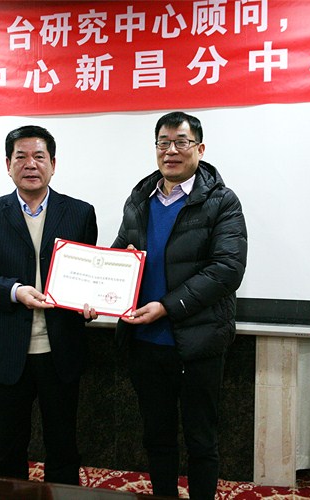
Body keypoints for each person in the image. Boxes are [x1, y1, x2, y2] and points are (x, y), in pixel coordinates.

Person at [112, 111, 248, 499]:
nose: (171, 150)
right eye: (163, 142)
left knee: (201, 440)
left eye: (181, 142)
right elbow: (120, 254)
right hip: (145, 343)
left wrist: (166, 307)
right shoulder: (140, 198)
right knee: (157, 437)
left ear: (199, 149)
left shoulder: (222, 201)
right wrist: (97, 292)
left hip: (197, 345)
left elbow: (227, 269)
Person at [0, 125, 98, 485]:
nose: (30, 164)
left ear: (53, 163)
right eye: (20, 156)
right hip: (10, 351)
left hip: (61, 350)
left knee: (63, 446)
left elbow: (89, 275)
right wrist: (14, 290)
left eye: (39, 156)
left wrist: (92, 301)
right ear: (8, 165)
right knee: (8, 449)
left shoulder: (80, 213)